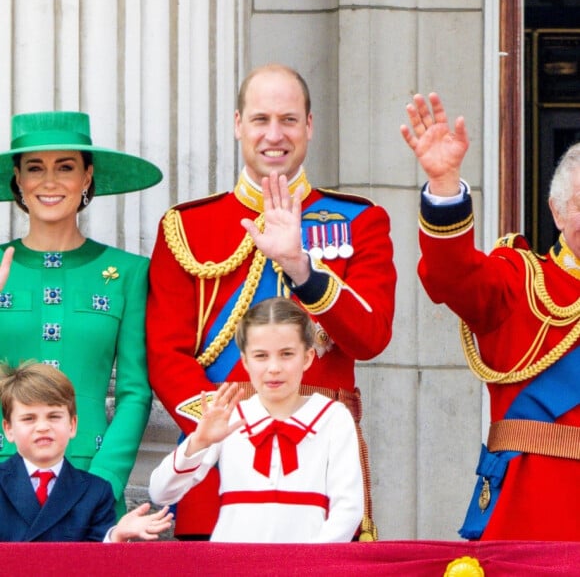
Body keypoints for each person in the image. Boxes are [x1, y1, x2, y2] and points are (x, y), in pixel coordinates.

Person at [147, 63, 396, 540]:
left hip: (323, 466)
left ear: (309, 125)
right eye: (261, 119)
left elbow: (371, 337)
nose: (274, 134)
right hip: (219, 477)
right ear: (238, 124)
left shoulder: (360, 220)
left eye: (288, 119)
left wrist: (303, 270)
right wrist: (228, 431)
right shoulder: (187, 227)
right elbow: (164, 355)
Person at [401, 92, 580, 541]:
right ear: (557, 213)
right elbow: (451, 275)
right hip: (534, 514)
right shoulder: (520, 279)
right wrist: (444, 186)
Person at [0, 111, 162, 517]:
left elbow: (135, 390)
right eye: (35, 168)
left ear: (87, 177)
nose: (50, 182)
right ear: (18, 179)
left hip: (91, 474)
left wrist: (105, 480)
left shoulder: (129, 272)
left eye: (66, 167)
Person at [149, 297, 363, 543]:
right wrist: (199, 441)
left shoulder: (333, 417)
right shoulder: (230, 417)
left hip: (307, 565)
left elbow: (348, 509)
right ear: (245, 361)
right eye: (261, 356)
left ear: (307, 357)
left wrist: (308, 564)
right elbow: (161, 492)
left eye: (286, 354)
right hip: (232, 565)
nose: (274, 367)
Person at [0, 362, 173, 542]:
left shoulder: (96, 491)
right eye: (29, 419)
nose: (43, 427)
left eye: (54, 416)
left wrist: (115, 536)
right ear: (9, 429)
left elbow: (97, 561)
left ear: (73, 425)